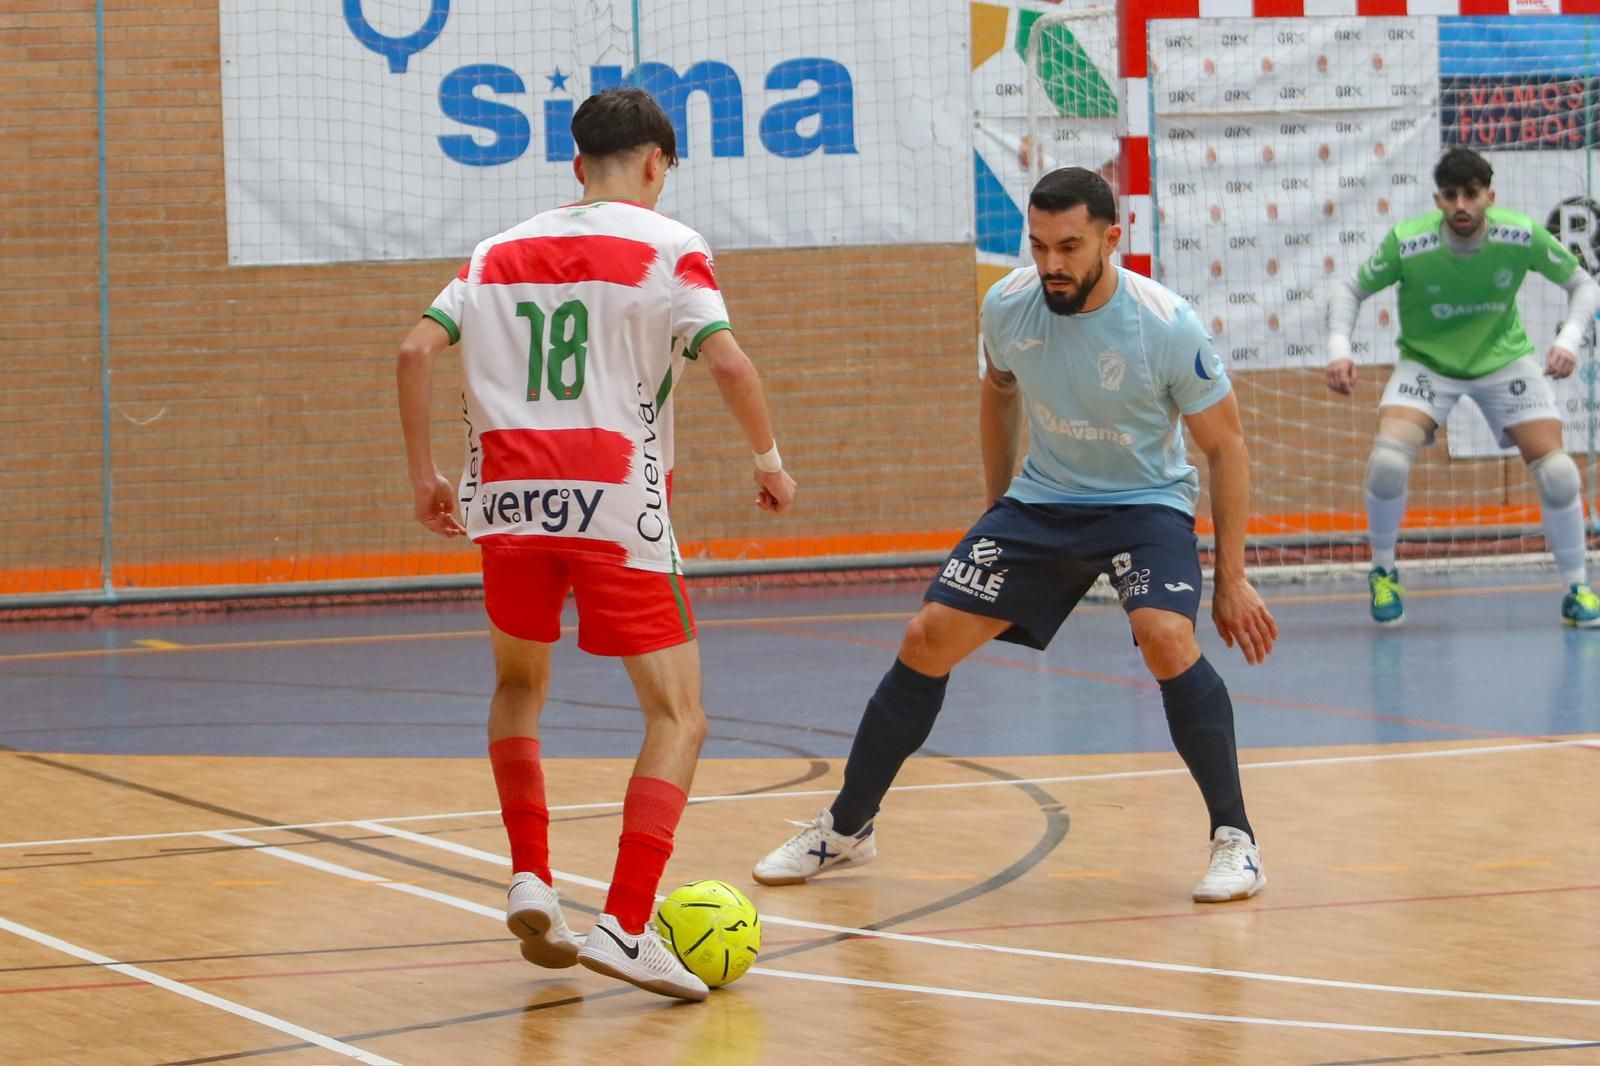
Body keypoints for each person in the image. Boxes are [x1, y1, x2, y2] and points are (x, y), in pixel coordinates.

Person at [752, 167, 1279, 903]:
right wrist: (996, 512)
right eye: (1038, 246)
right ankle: (847, 829)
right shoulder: (1008, 305)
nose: (1052, 264)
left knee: (1167, 639)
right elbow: (998, 390)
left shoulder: (1164, 324)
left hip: (1145, 504)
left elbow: (1227, 448)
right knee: (925, 637)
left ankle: (1236, 840)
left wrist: (1231, 576)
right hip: (1040, 503)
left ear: (1111, 239)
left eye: (1069, 246)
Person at [395, 87, 797, 1002]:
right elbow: (727, 360)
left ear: (578, 166)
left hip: (504, 502)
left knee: (517, 688)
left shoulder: (495, 252)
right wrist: (770, 461)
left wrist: (428, 477)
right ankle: (623, 923)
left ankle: (530, 877)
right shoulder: (670, 244)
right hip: (615, 506)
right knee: (678, 717)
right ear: (657, 163)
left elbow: (414, 352)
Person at [1326, 147, 1600, 627]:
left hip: (1504, 361)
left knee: (1559, 473)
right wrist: (1339, 348)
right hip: (1428, 365)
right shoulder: (1408, 243)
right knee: (1387, 460)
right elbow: (1351, 288)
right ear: (1437, 199)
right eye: (1451, 195)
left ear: (1489, 196)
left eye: (1471, 195)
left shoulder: (1520, 234)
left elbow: (1584, 284)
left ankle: (1577, 587)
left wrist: (1569, 340)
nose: (1461, 206)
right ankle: (1384, 571)